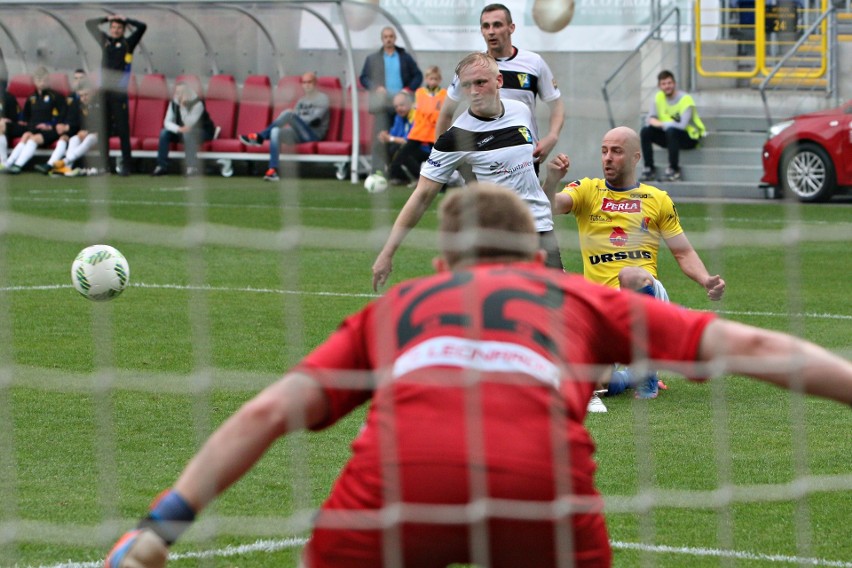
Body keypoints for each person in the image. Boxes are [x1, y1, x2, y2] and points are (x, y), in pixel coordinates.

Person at [104, 182, 852, 568]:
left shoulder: (397, 308)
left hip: (395, 497)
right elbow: (754, 349)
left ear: (440, 266)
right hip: (542, 500)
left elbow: (268, 414)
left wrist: (158, 529)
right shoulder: (578, 295)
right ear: (535, 260)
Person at [545, 126, 725, 409]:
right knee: (594, 383)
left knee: (630, 274)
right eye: (604, 151)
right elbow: (549, 206)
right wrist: (552, 181)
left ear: (635, 157)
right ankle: (630, 376)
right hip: (601, 309)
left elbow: (683, 251)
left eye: (616, 151)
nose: (607, 158)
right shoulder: (588, 190)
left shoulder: (657, 199)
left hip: (646, 297)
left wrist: (705, 280)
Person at [371, 52, 563, 292]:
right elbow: (421, 196)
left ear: (499, 81)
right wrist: (387, 253)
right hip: (498, 237)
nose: (473, 91)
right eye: (466, 85)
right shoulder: (454, 138)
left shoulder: (520, 110)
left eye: (481, 82)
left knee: (558, 313)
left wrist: (553, 177)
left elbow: (526, 174)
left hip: (542, 229)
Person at [435, 3, 564, 166]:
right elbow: (446, 113)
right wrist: (440, 160)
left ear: (511, 28)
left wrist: (552, 136)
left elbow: (556, 105)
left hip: (523, 157)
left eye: (497, 25)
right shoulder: (471, 68)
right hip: (482, 159)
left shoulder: (534, 63)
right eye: (486, 26)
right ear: (481, 30)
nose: (491, 31)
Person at [239, 71, 330, 182]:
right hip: (298, 133)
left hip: (313, 134)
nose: (306, 85)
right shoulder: (301, 101)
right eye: (304, 82)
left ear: (315, 83)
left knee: (288, 114)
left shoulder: (323, 98)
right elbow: (296, 118)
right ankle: (272, 170)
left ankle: (260, 137)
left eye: (309, 82)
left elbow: (314, 121)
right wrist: (294, 117)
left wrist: (294, 117)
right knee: (275, 131)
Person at [86, 13, 147, 176]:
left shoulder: (128, 44)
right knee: (104, 130)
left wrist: (127, 19)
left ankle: (127, 165)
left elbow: (142, 27)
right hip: (104, 92)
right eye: (113, 27)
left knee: (122, 130)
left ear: (123, 30)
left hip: (119, 93)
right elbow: (89, 24)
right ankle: (105, 166)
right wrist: (106, 18)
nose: (115, 30)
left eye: (119, 28)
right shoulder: (105, 41)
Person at [359, 26, 423, 173]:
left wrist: (408, 89)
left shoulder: (404, 57)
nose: (388, 39)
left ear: (395, 38)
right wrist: (375, 87)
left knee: (403, 138)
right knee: (380, 137)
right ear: (382, 39)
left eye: (391, 36)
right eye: (386, 37)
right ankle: (377, 170)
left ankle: (400, 171)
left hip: (402, 106)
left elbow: (418, 75)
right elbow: (363, 78)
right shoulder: (373, 59)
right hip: (382, 104)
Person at [638, 70, 706, 183]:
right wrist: (661, 124)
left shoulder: (685, 99)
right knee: (645, 131)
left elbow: (682, 126)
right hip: (671, 137)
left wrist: (661, 124)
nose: (667, 86)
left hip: (690, 138)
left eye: (669, 83)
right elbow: (649, 120)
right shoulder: (658, 98)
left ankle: (674, 170)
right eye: (663, 84)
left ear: (674, 84)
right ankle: (649, 169)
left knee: (671, 131)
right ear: (659, 86)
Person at [388, 65, 447, 186]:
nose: (433, 81)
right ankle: (395, 176)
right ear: (426, 79)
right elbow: (420, 109)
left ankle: (443, 185)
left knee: (440, 159)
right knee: (401, 155)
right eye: (431, 79)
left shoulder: (444, 94)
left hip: (433, 132)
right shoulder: (420, 93)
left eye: (436, 79)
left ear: (440, 80)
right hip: (419, 131)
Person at [1, 66, 66, 174]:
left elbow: (62, 116)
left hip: (48, 129)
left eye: (44, 79)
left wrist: (50, 125)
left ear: (48, 80)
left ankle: (16, 165)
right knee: (3, 126)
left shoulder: (56, 97)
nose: (41, 82)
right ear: (34, 81)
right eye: (38, 79)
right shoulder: (32, 97)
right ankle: (4, 162)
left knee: (29, 137)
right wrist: (19, 121)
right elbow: (25, 116)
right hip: (31, 126)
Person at [151, 82, 216, 176]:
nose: (179, 95)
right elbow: (167, 122)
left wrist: (183, 106)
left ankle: (191, 167)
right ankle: (161, 166)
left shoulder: (197, 103)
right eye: (177, 92)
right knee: (164, 133)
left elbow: (188, 123)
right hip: (183, 131)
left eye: (182, 92)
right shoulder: (173, 102)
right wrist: (178, 129)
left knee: (188, 133)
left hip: (203, 132)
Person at [47, 81, 102, 177]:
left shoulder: (100, 104)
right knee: (74, 138)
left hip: (101, 134)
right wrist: (80, 132)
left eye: (86, 95)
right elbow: (77, 123)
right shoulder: (78, 105)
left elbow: (103, 123)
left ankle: (65, 161)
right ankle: (67, 169)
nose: (84, 98)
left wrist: (89, 132)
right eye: (81, 96)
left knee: (90, 137)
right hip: (86, 134)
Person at [376, 90, 414, 185]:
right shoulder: (399, 117)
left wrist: (390, 138)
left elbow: (408, 140)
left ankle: (412, 176)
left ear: (410, 104)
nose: (399, 109)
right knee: (379, 146)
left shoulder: (415, 116)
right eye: (396, 106)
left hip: (420, 148)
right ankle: (399, 177)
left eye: (401, 105)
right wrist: (384, 136)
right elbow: (393, 135)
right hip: (402, 146)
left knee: (397, 148)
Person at [0, 77, 23, 166]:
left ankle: (3, 162)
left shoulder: (9, 97)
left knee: (1, 125)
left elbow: (15, 118)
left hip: (8, 128)